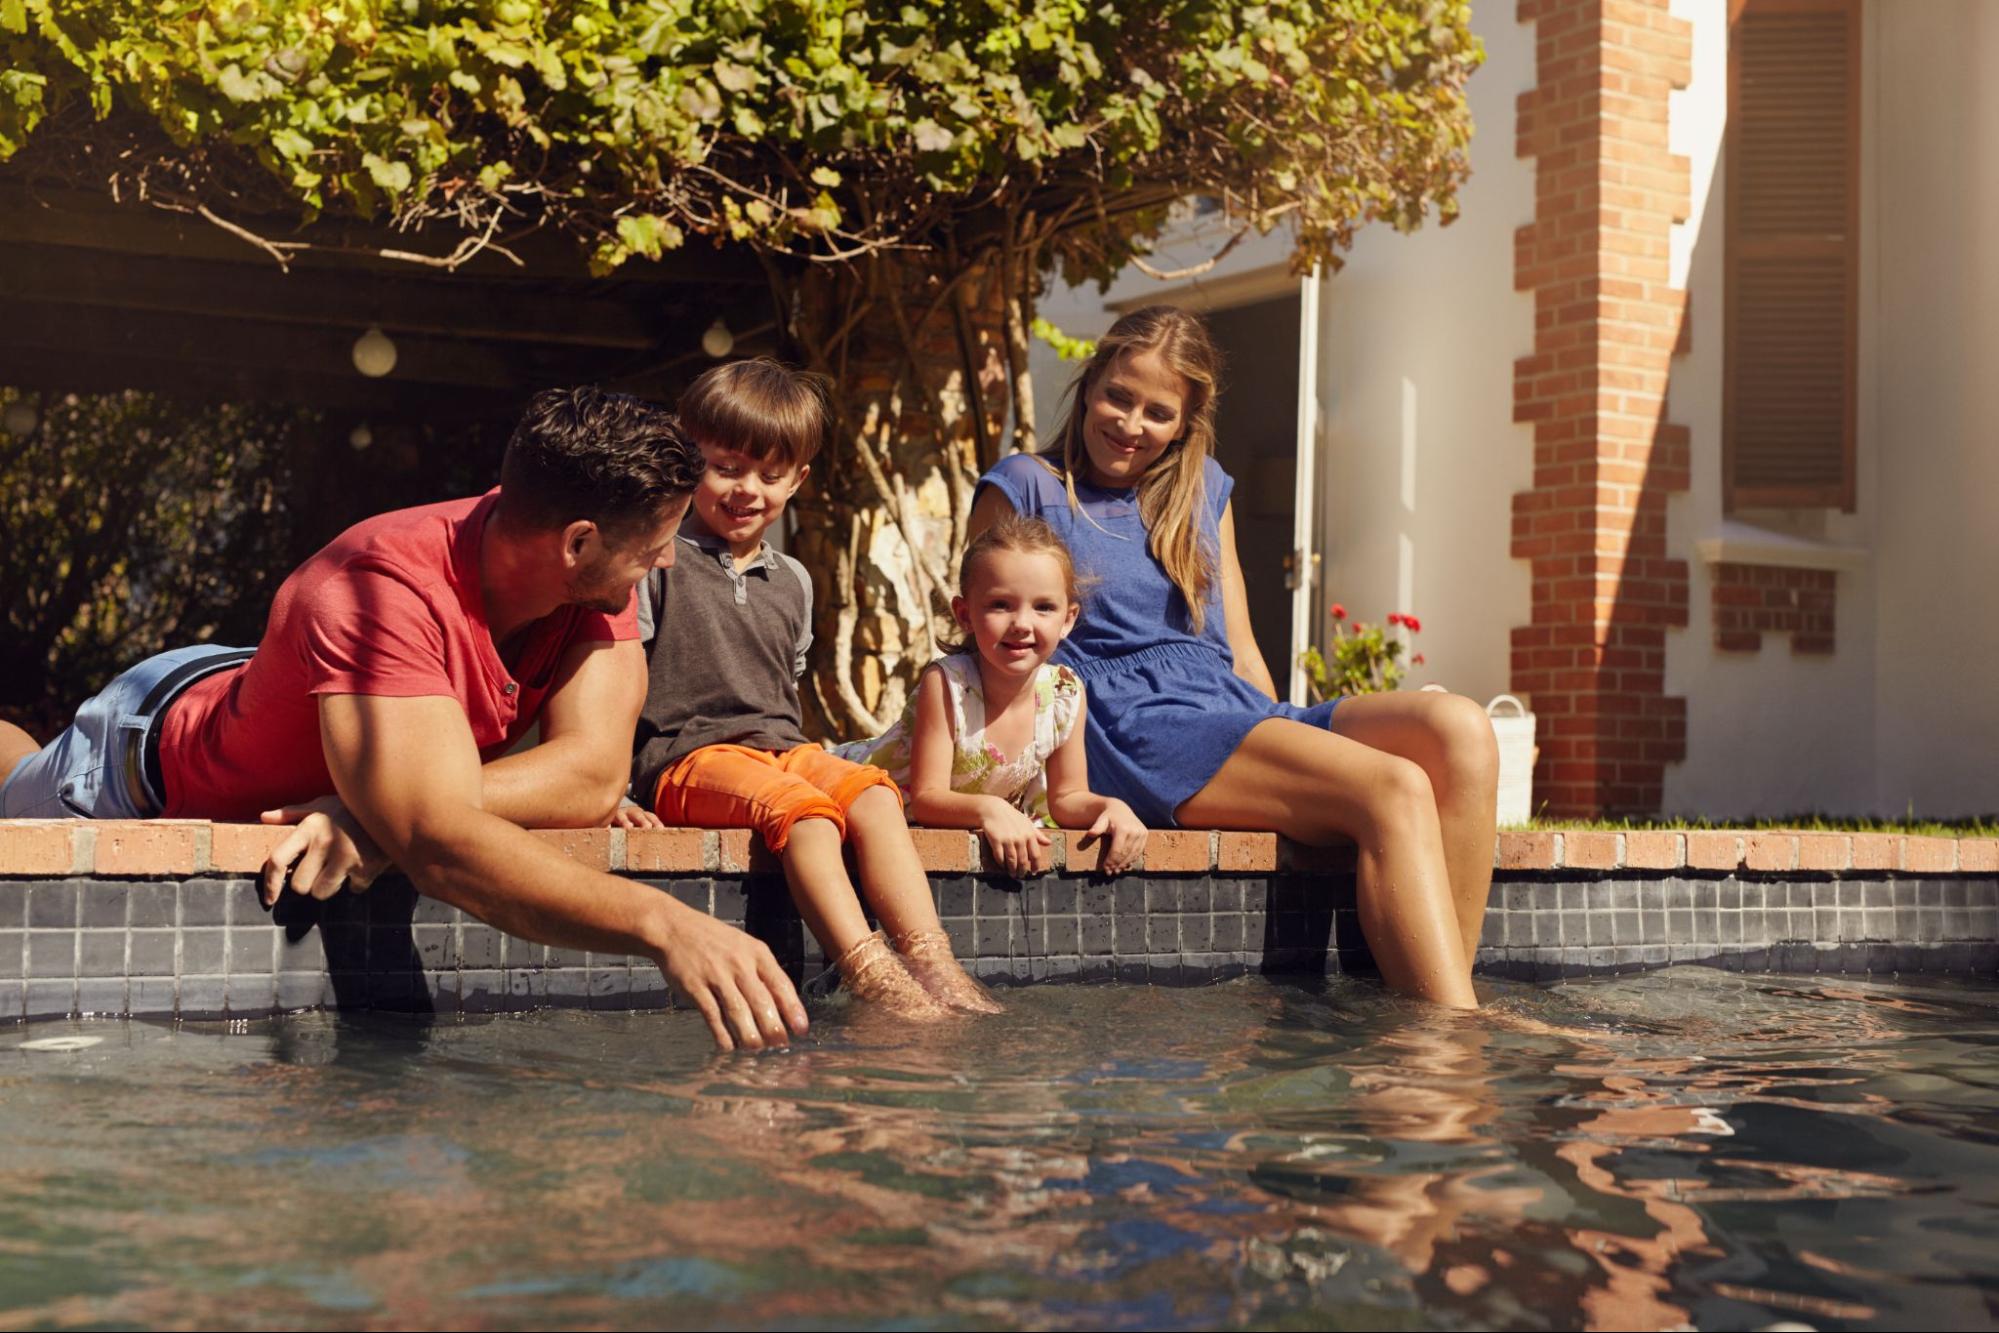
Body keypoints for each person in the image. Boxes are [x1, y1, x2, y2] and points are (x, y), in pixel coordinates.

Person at [0, 387, 807, 1053]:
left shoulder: (594, 572)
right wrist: (665, 924)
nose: (667, 561)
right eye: (654, 547)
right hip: (138, 751)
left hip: (310, 690)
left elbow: (593, 773)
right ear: (578, 541)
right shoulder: (379, 584)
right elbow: (439, 845)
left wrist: (369, 810)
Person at [968, 306, 1497, 1008]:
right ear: (1089, 383)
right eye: (1117, 397)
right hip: (1131, 723)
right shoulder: (1025, 484)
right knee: (1392, 787)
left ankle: (1444, 996)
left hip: (1221, 706)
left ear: (1184, 422)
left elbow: (1238, 641)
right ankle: (1447, 1042)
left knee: (1459, 727)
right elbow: (987, 638)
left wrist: (1280, 728)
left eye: (1157, 412)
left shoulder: (1201, 487)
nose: (1130, 424)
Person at [621, 358, 999, 1018]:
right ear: (687, 456)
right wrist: (614, 789)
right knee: (804, 812)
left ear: (797, 478)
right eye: (727, 467)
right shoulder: (658, 559)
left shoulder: (793, 579)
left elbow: (784, 687)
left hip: (777, 749)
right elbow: (622, 684)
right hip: (688, 758)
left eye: (770, 475)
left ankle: (931, 960)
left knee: (878, 797)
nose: (748, 490)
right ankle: (867, 968)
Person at [833, 515, 1148, 878]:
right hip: (854, 789)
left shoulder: (1064, 693)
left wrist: (1111, 807)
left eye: (1043, 607)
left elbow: (1066, 799)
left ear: (1068, 619)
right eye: (1001, 605)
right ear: (964, 614)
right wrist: (991, 809)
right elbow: (926, 799)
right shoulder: (949, 683)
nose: (1022, 624)